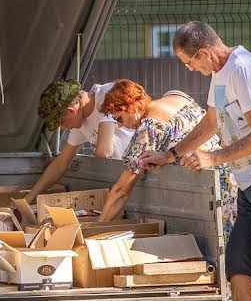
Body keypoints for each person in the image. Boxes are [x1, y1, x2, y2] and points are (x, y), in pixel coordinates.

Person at [140, 22, 251, 301]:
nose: (190, 69)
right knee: (239, 259)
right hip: (249, 183)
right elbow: (212, 122)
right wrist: (172, 154)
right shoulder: (220, 75)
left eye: (190, 63)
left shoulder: (243, 71)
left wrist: (213, 157)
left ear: (205, 53)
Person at [96, 80, 237, 246]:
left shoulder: (148, 128)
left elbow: (121, 190)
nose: (120, 125)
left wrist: (97, 228)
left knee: (223, 249)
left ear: (130, 106)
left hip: (210, 194)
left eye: (119, 118)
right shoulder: (177, 97)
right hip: (229, 175)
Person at [23, 78, 135, 206]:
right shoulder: (80, 122)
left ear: (71, 111)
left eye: (62, 122)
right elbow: (61, 163)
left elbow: (104, 151)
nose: (63, 127)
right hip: (124, 183)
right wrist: (28, 199)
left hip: (145, 172)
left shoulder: (110, 95)